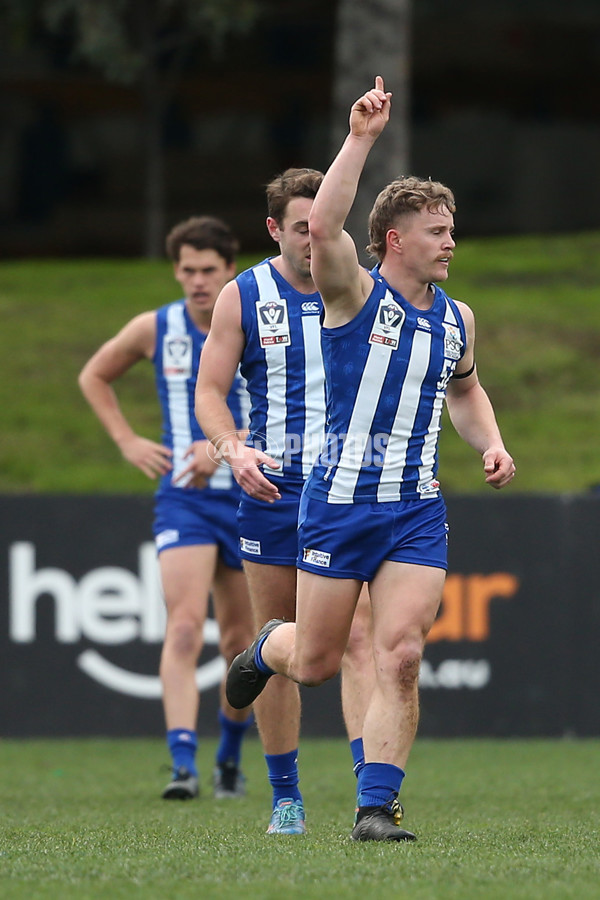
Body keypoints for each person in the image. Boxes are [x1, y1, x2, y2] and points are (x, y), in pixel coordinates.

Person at [225, 77, 516, 842]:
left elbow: (466, 393)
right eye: (437, 230)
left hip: (415, 508)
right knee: (316, 661)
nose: (451, 241)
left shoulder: (459, 319)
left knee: (402, 654)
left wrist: (491, 442)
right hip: (339, 501)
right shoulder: (352, 294)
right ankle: (267, 648)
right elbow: (322, 229)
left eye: (453, 229)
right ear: (394, 239)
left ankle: (376, 809)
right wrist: (360, 139)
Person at [195, 169, 375, 835]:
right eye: (301, 226)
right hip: (273, 488)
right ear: (275, 229)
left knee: (358, 638)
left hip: (353, 489)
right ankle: (286, 800)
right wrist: (230, 449)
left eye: (323, 223)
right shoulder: (243, 296)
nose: (314, 237)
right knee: (274, 643)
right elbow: (210, 391)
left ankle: (371, 798)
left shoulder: (365, 289)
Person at [78, 216, 255, 801]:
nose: (198, 282)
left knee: (239, 643)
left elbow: (292, 404)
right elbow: (94, 375)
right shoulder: (157, 328)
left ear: (229, 270)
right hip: (186, 500)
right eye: (187, 271)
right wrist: (128, 441)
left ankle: (230, 754)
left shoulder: (258, 320)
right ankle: (183, 763)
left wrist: (220, 447)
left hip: (253, 497)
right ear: (176, 272)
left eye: (209, 270)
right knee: (182, 628)